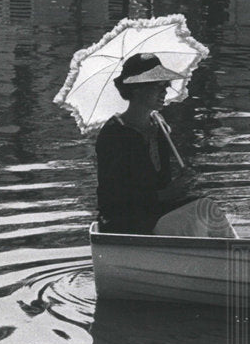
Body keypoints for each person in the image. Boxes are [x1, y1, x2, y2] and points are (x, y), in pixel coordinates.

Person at [96, 53, 235, 237]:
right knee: (194, 215)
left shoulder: (159, 125)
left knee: (206, 206)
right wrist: (165, 194)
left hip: (154, 215)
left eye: (166, 85)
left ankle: (236, 253)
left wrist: (182, 185)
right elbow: (111, 200)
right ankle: (208, 260)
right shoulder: (114, 134)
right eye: (158, 86)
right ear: (137, 88)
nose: (165, 92)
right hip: (126, 224)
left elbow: (161, 184)